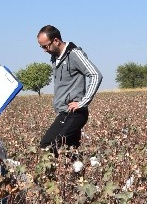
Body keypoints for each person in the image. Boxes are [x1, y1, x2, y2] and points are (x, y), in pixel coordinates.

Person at [36, 25, 101, 153]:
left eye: (45, 46)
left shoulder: (74, 54)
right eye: (41, 47)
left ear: (56, 41)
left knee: (48, 145)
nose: (44, 50)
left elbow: (95, 75)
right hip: (64, 112)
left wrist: (83, 102)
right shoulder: (55, 57)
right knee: (70, 153)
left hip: (74, 113)